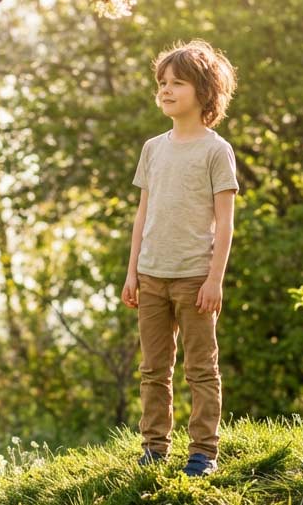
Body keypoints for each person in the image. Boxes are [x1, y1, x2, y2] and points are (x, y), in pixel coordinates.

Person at [119, 40, 239, 477]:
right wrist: (132, 272)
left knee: (201, 370)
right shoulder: (153, 148)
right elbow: (142, 215)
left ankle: (203, 452)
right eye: (162, 83)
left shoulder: (215, 150)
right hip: (151, 276)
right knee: (153, 369)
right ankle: (154, 448)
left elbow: (225, 223)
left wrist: (214, 279)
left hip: (194, 279)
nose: (166, 91)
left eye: (178, 83)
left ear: (204, 93)